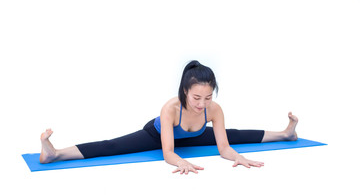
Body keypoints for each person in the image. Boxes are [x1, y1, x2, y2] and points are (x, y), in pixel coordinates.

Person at [39, 60, 298, 174]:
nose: (202, 104)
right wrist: (181, 163)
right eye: (196, 98)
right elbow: (168, 153)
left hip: (191, 137)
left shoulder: (214, 109)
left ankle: (286, 133)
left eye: (207, 98)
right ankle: (56, 153)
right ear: (185, 91)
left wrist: (238, 157)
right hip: (158, 136)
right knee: (112, 146)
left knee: (236, 134)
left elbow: (224, 147)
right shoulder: (170, 108)